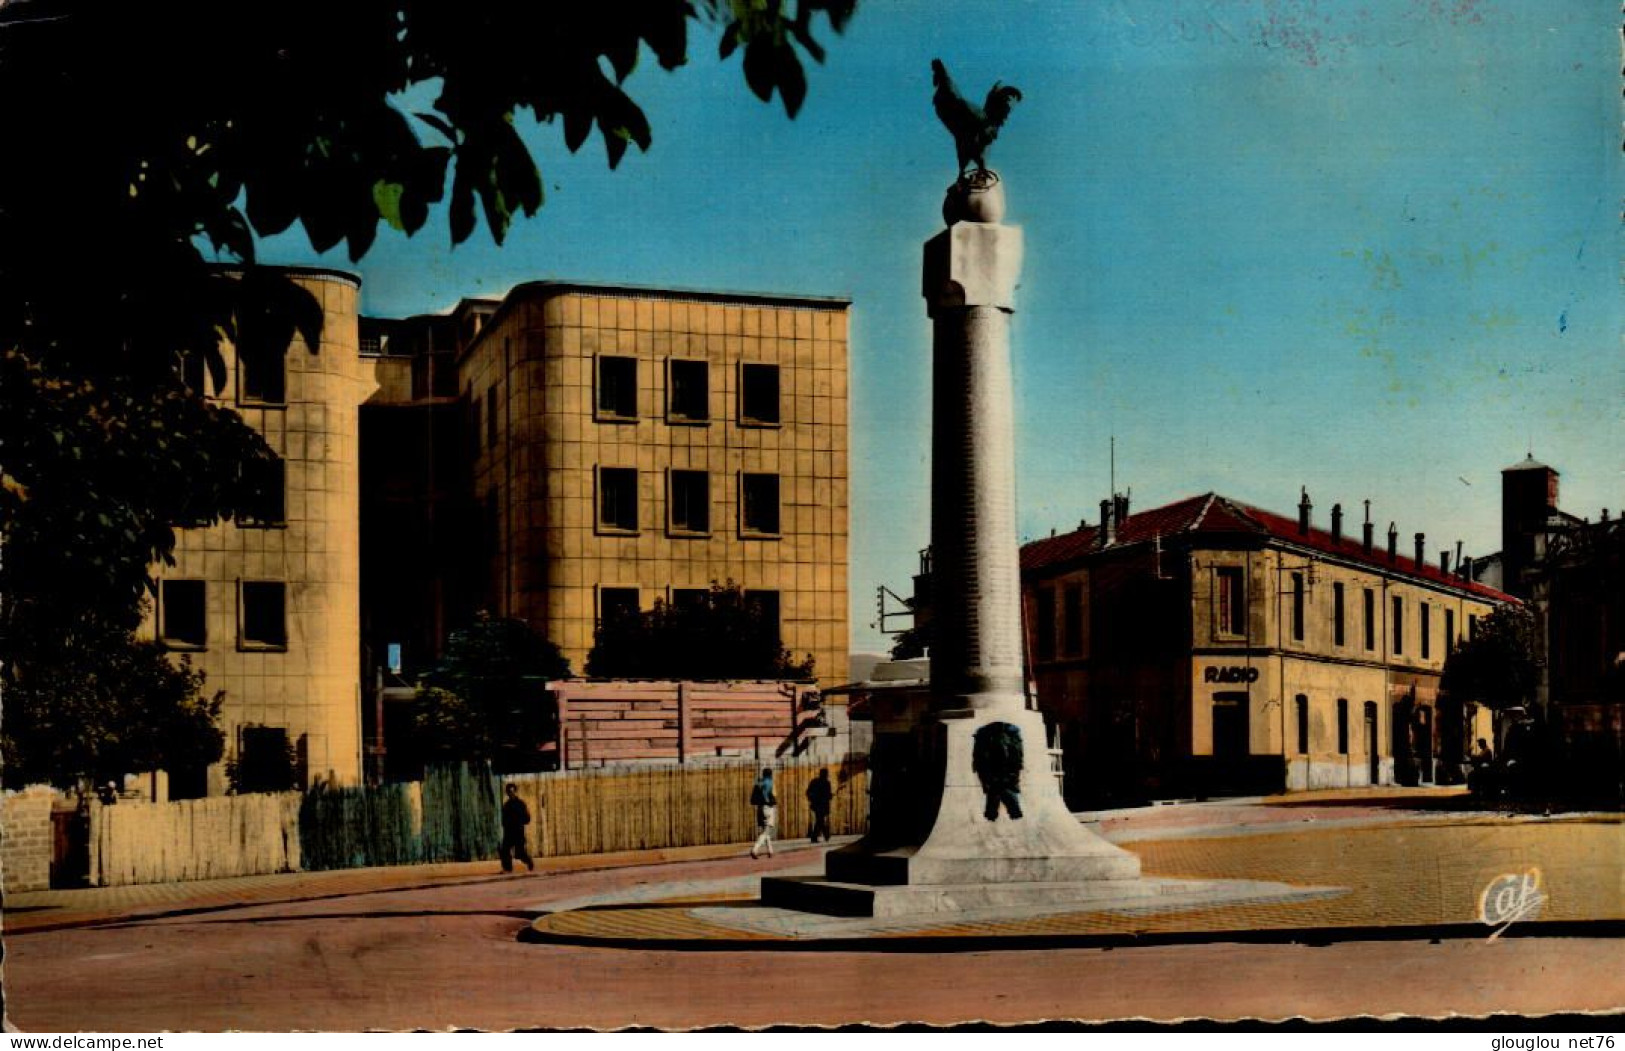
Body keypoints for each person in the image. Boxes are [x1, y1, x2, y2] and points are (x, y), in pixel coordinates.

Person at [499, 783, 535, 873]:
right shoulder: (506, 806)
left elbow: (527, 818)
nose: (511, 794)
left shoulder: (520, 804)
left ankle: (529, 862)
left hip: (518, 832)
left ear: (515, 791)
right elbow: (504, 819)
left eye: (512, 791)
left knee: (519, 853)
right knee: (505, 849)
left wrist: (519, 821)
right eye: (509, 792)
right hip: (509, 832)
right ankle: (508, 868)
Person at [749, 767, 777, 859]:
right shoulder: (769, 782)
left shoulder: (758, 783)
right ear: (770, 774)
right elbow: (766, 793)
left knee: (765, 829)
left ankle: (770, 851)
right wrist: (768, 801)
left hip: (760, 808)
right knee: (766, 831)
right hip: (768, 808)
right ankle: (755, 849)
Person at [805, 767, 833, 843]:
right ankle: (816, 837)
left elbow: (808, 792)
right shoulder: (826, 783)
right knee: (820, 820)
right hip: (822, 805)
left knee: (820, 820)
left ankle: (825, 835)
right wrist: (830, 796)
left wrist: (811, 799)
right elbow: (828, 795)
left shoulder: (814, 781)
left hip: (816, 805)